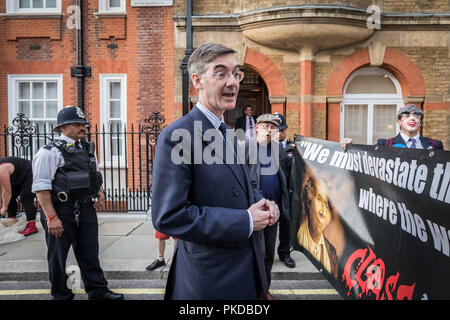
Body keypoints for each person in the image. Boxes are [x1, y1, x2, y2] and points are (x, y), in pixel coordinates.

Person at [151, 43, 280, 300]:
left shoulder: (229, 134)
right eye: (221, 73)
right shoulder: (178, 136)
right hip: (210, 281)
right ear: (197, 81)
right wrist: (244, 220)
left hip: (246, 271)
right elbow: (169, 216)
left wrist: (262, 202)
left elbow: (240, 187)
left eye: (236, 73)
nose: (232, 82)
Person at [32, 106, 123, 300]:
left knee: (90, 252)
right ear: (63, 128)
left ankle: (99, 291)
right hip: (60, 210)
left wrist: (98, 191)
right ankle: (61, 294)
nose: (83, 127)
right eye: (77, 124)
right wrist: (51, 217)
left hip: (85, 208)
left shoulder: (88, 148)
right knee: (58, 256)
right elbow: (41, 188)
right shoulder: (49, 152)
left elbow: (92, 174)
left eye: (84, 124)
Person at [246, 114, 292, 298]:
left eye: (273, 128)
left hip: (274, 212)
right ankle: (251, 291)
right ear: (257, 128)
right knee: (252, 255)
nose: (269, 131)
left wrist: (345, 147)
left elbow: (289, 168)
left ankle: (264, 291)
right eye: (265, 126)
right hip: (254, 211)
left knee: (267, 257)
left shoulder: (278, 148)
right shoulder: (246, 147)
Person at [341, 105, 444, 150]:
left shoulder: (435, 145)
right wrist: (351, 146)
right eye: (407, 116)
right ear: (399, 122)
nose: (412, 118)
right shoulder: (385, 145)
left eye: (416, 116)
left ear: (420, 123)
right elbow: (367, 156)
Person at [297, 173, 338, 278]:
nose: (323, 212)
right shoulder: (297, 237)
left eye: (327, 206)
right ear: (308, 200)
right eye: (319, 199)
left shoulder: (332, 254)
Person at [272, 113, 296, 268]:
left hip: (288, 192)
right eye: (276, 130)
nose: (279, 133)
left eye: (281, 129)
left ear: (286, 129)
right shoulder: (264, 147)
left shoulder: (295, 147)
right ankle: (265, 255)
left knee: (286, 223)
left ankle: (285, 253)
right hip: (272, 191)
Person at [0, 157, 38, 236]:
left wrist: (4, 207)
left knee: (25, 198)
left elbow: (6, 191)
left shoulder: (1, 170)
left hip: (30, 172)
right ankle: (12, 222)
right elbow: (2, 190)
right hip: (18, 176)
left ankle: (32, 226)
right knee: (10, 198)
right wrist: (2, 203)